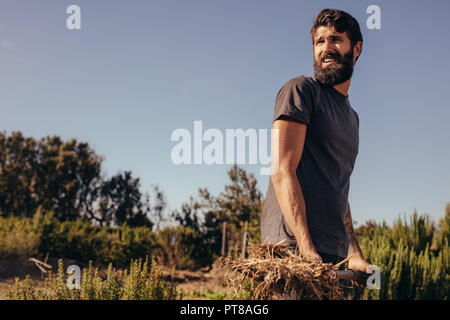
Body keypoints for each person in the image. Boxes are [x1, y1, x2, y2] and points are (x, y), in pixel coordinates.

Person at [261, 8, 371, 288]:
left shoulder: (352, 118)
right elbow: (282, 170)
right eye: (319, 41)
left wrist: (353, 253)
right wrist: (306, 249)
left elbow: (339, 187)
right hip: (291, 252)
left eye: (335, 39)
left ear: (356, 49)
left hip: (330, 256)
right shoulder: (301, 91)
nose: (326, 48)